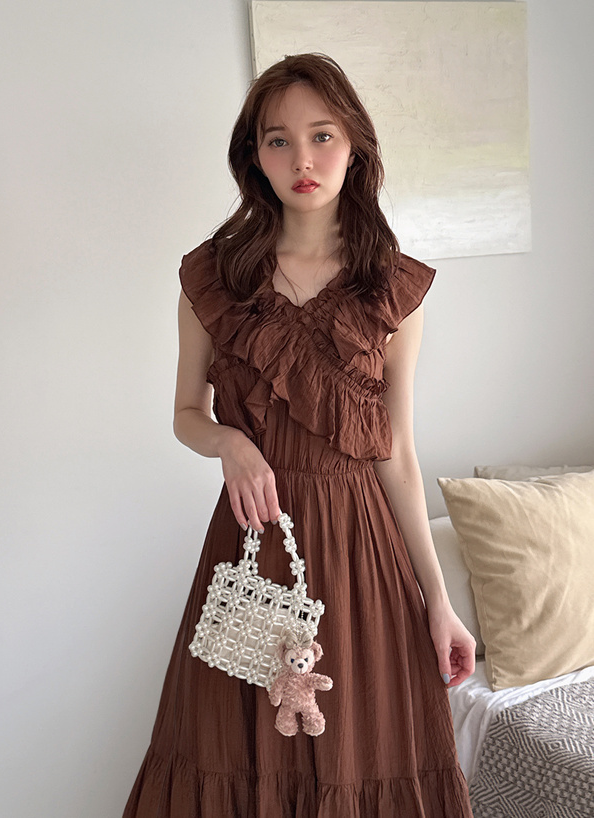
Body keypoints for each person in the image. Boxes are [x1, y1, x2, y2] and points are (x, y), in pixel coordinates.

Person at [123, 52, 476, 817]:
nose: (303, 160)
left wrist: (438, 600)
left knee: (360, 755)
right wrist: (229, 444)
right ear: (254, 154)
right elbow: (186, 413)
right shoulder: (213, 279)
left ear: (355, 147)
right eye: (278, 140)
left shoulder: (392, 290)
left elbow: (396, 454)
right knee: (233, 756)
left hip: (362, 557)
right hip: (253, 546)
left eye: (322, 136)